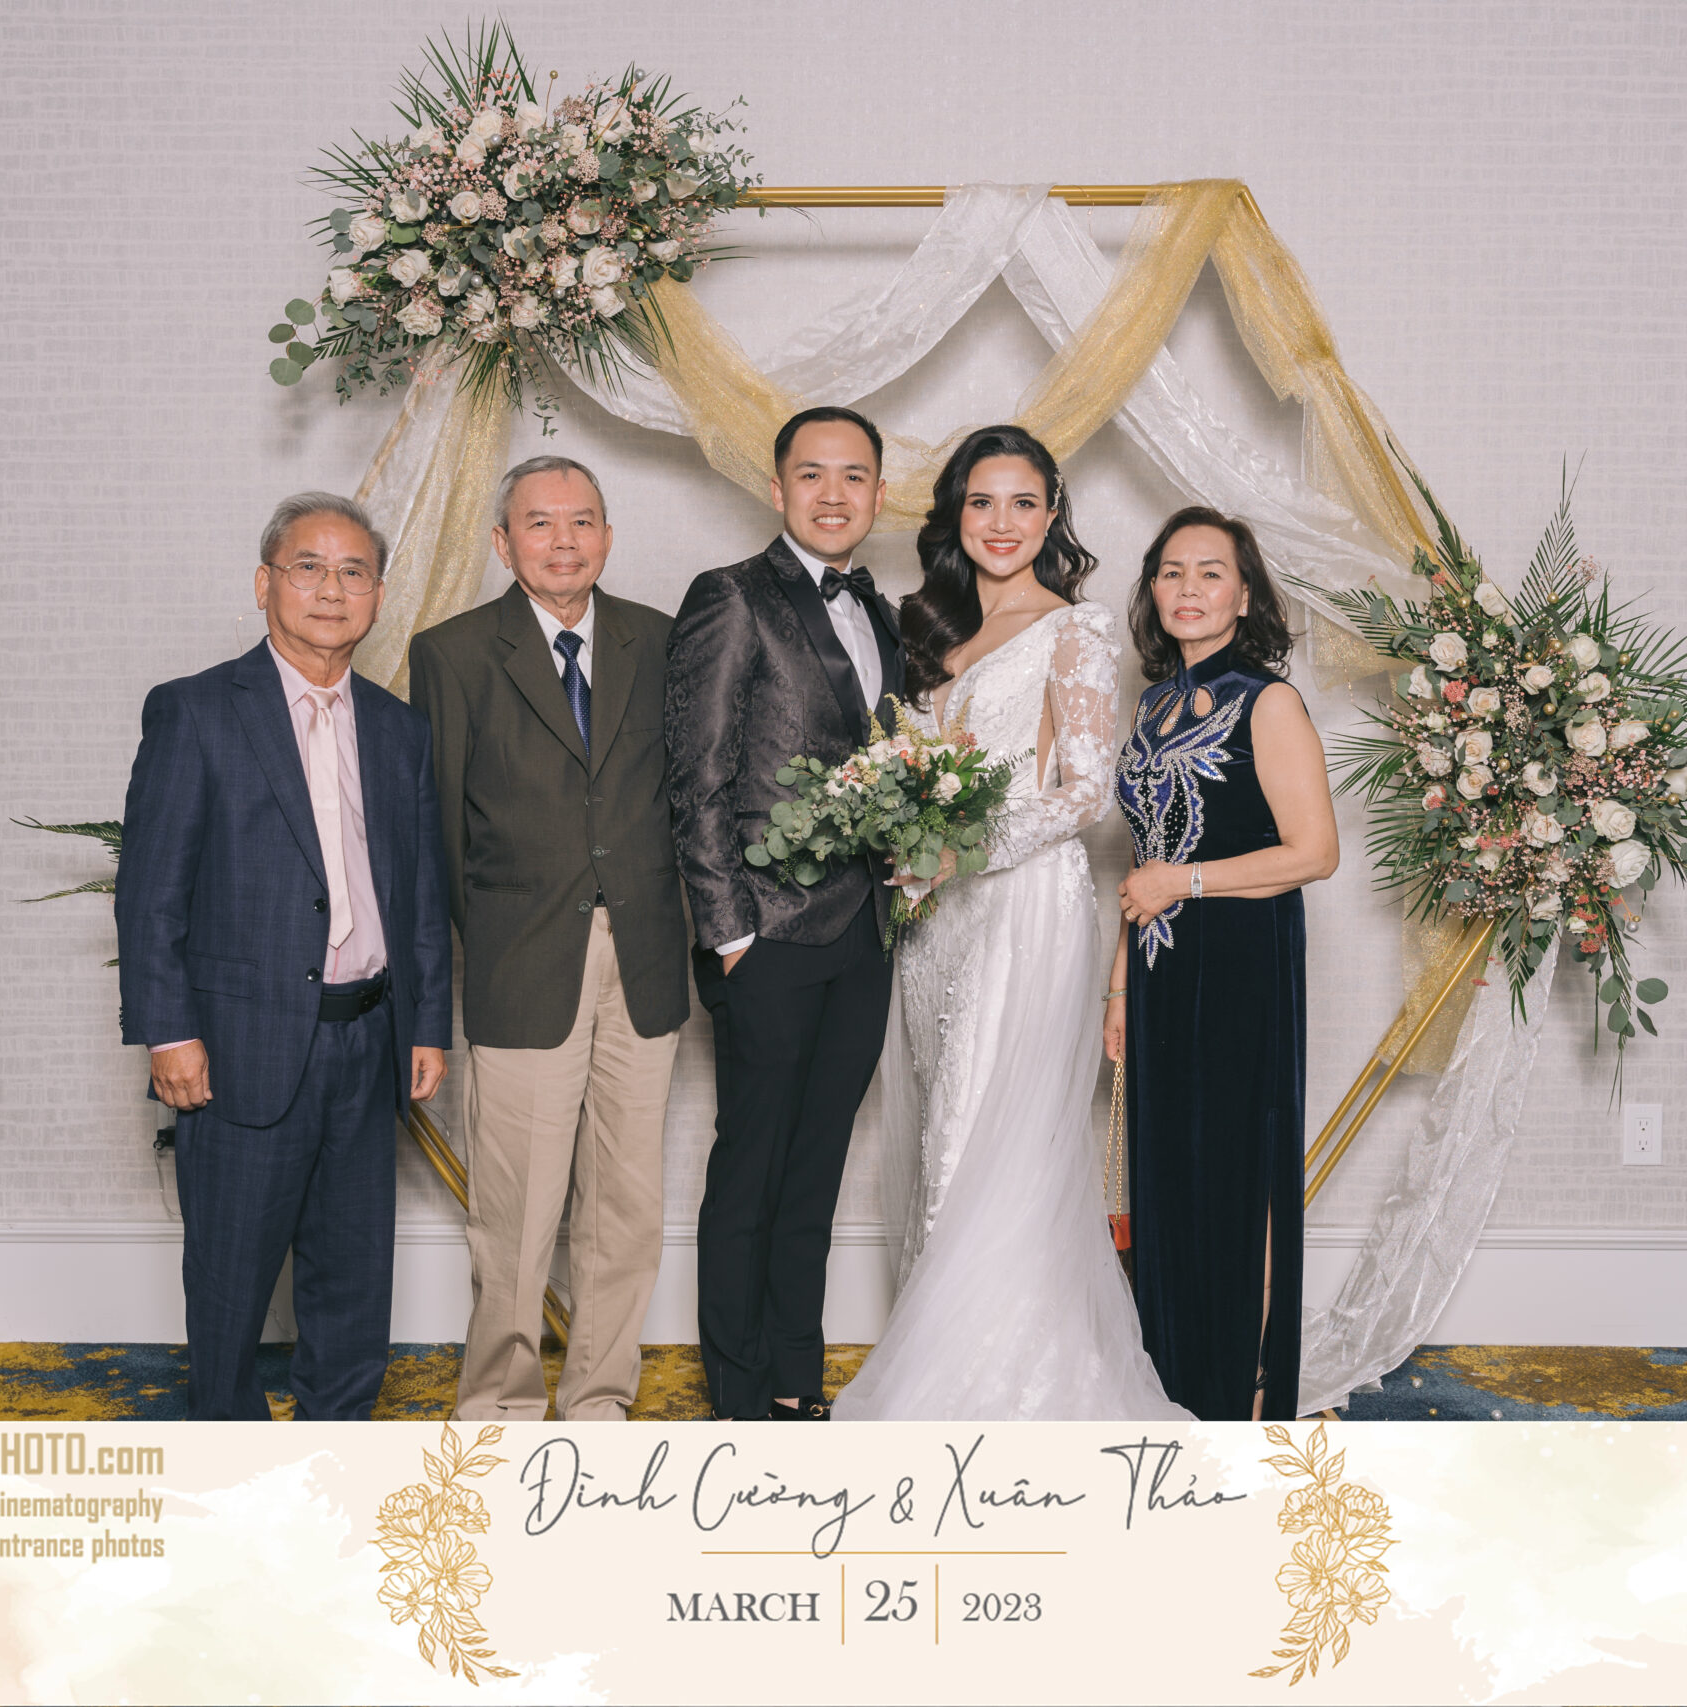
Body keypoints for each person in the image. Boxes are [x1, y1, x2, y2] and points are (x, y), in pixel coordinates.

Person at [834, 424, 1186, 1423]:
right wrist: (907, 838)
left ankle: (987, 1395)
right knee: (942, 1121)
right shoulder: (927, 629)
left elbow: (1086, 791)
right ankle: (948, 1356)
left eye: (1023, 503)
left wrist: (964, 848)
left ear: (1052, 514)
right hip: (935, 915)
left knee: (982, 1134)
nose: (1001, 523)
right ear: (954, 515)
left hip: (1023, 903)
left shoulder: (1074, 630)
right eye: (981, 502)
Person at [117, 492, 452, 1421]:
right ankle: (230, 1473)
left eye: (354, 572)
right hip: (238, 1046)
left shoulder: (399, 728)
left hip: (369, 1041)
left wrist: (427, 1024)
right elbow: (150, 893)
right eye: (309, 567)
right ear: (265, 583)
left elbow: (418, 893)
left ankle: (332, 1460)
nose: (331, 590)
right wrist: (168, 1032)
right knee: (229, 1284)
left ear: (377, 595)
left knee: (353, 1282)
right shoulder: (195, 711)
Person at [405, 456, 687, 1423]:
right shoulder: (451, 653)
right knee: (516, 1211)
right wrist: (486, 944)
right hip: (523, 961)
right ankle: (500, 1406)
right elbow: (439, 832)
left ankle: (600, 1399)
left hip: (644, 957)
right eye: (539, 523)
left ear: (607, 536)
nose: (563, 541)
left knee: (625, 1205)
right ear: (502, 541)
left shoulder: (660, 639)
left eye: (582, 521)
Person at [665, 405, 904, 1421]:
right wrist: (729, 934)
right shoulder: (729, 596)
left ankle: (796, 1380)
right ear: (777, 488)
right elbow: (696, 774)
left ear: (879, 493)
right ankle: (738, 1392)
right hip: (763, 935)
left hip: (865, 935)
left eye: (853, 476)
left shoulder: (882, 608)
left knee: (815, 1169)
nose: (833, 494)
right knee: (752, 1166)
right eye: (812, 474)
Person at [1106, 507, 1340, 1421]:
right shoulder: (1153, 704)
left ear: (1245, 596)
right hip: (1160, 969)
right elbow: (1144, 860)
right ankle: (1177, 1382)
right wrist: (1118, 986)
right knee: (1171, 1171)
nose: (1189, 588)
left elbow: (1315, 852)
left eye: (1211, 572)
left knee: (1237, 1170)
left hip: (1242, 963)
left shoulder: (1267, 700)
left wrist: (1186, 883)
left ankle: (1246, 1388)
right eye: (1172, 571)